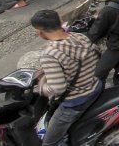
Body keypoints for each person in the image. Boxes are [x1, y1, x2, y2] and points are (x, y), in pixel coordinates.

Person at [31, 9, 102, 146]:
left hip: (76, 101)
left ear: (39, 32)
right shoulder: (79, 37)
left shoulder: (50, 54)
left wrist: (40, 87)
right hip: (95, 86)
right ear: (61, 22)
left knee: (49, 142)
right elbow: (95, 55)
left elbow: (58, 88)